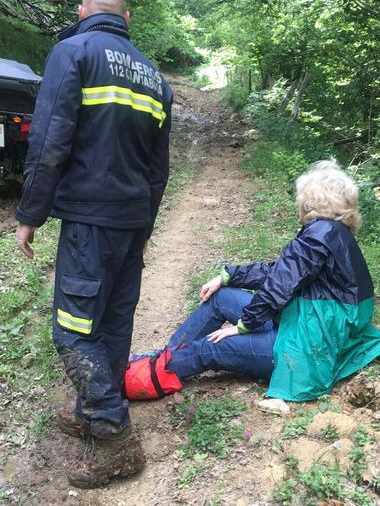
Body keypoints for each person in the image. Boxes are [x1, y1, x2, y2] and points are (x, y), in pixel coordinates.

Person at [15, 0, 173, 488]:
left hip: (90, 221)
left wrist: (30, 213)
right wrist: (145, 227)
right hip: (130, 222)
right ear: (126, 19)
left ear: (83, 11)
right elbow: (157, 169)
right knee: (110, 325)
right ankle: (92, 408)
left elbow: (50, 138)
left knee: (72, 329)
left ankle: (115, 436)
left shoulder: (73, 51)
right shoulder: (155, 77)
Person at [125, 160, 380, 406]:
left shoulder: (319, 234)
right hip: (305, 326)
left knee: (211, 347)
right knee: (220, 298)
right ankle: (164, 358)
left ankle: (141, 378)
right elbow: (281, 272)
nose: (299, 202)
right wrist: (229, 276)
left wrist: (244, 325)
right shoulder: (331, 233)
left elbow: (280, 284)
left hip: (305, 348)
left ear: (313, 200)